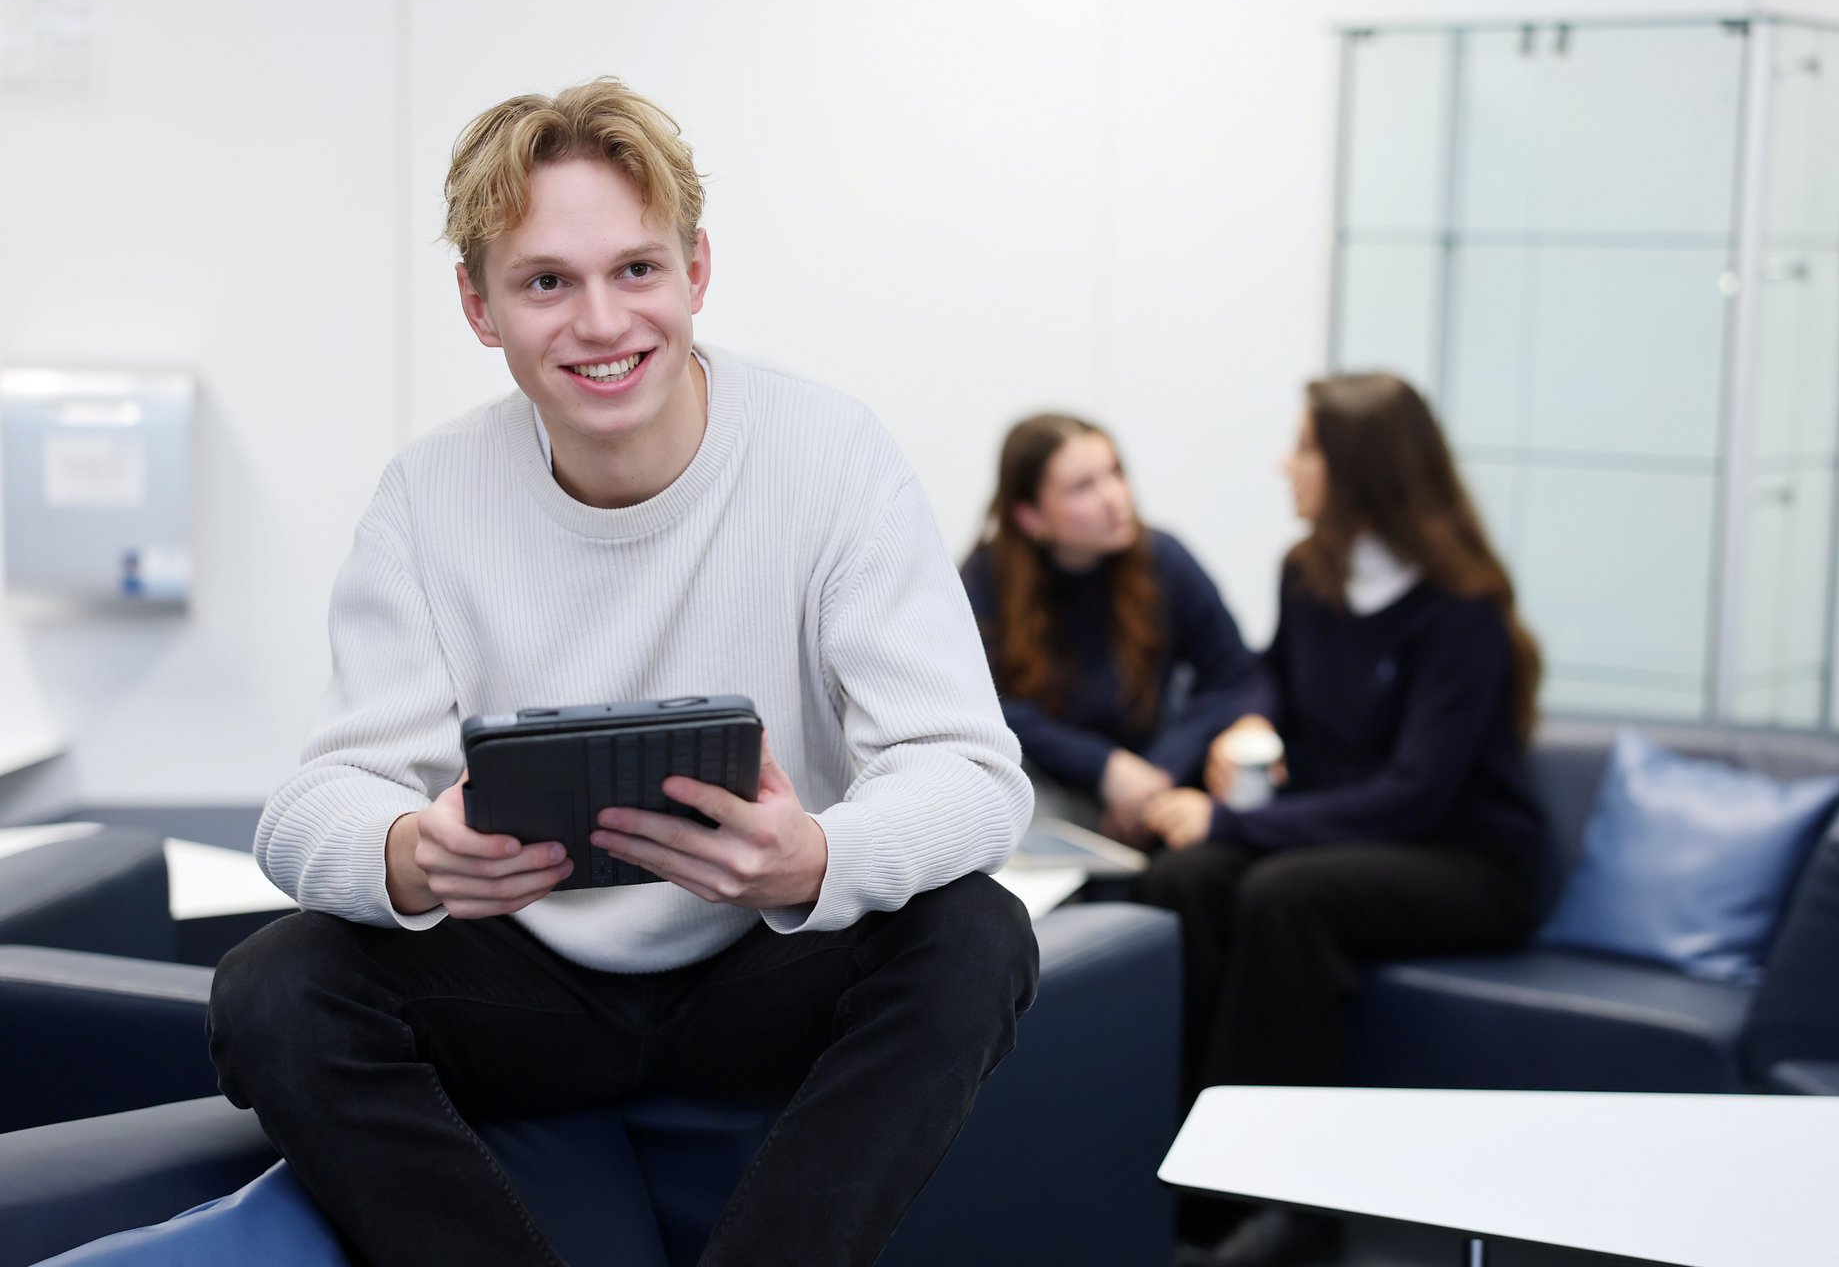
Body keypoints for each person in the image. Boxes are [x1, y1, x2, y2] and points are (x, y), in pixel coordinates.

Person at [206, 78, 1038, 1267]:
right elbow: (309, 807)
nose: (601, 322)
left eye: (636, 270)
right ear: (479, 306)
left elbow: (972, 770)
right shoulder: (428, 499)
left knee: (976, 936)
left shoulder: (830, 456)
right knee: (273, 989)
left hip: (763, 966)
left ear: (697, 270)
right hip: (526, 988)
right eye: (547, 281)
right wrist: (409, 850)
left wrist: (819, 855)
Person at [1140, 374, 1549, 1265]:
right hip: (1348, 833)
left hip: (1466, 858)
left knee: (1287, 895)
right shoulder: (1308, 572)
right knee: (1181, 880)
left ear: (1358, 468)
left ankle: (1277, 1198)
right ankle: (1162, 1163)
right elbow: (1271, 675)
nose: (1285, 463)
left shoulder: (1462, 606)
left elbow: (1415, 795)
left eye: (1305, 447)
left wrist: (1231, 823)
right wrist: (1255, 717)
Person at [959, 413, 1257, 843]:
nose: (1115, 497)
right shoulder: (986, 578)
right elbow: (980, 707)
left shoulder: (1163, 559)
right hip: (1044, 789)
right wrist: (1104, 767)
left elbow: (1232, 676)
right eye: (1083, 487)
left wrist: (1157, 774)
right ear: (1030, 517)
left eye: (1115, 473)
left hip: (1154, 790)